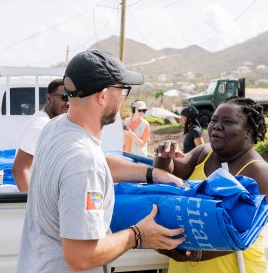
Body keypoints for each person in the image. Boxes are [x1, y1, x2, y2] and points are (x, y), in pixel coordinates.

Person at [17, 49, 186, 273]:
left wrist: (151, 173)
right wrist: (137, 235)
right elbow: (81, 257)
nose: (123, 98)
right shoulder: (84, 163)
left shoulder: (55, 128)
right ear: (103, 95)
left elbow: (96, 162)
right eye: (122, 90)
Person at [154, 96, 268, 273]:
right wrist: (164, 156)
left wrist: (198, 254)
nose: (216, 126)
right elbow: (168, 174)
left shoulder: (258, 172)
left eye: (228, 121)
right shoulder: (203, 153)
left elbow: (245, 233)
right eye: (214, 120)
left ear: (248, 131)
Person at [12, 79, 69, 191]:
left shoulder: (47, 123)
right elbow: (19, 169)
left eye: (72, 97)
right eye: (64, 97)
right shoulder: (40, 126)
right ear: (49, 98)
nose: (68, 103)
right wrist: (31, 204)